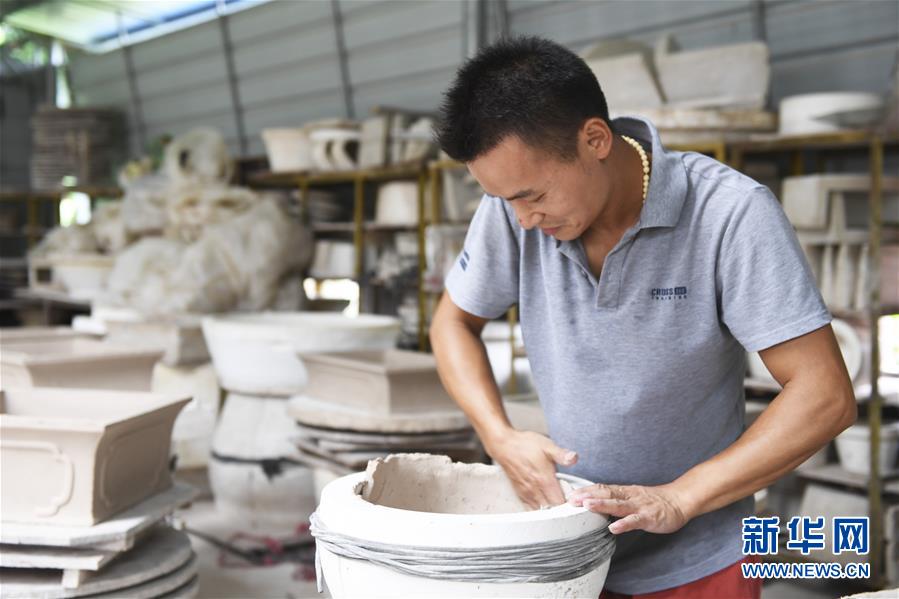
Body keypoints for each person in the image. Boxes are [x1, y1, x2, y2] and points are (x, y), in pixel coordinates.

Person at [429, 36, 857, 598]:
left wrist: (681, 496)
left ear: (595, 140)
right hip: (569, 553)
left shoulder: (730, 214)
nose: (523, 219)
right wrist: (499, 435)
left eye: (531, 196)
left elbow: (825, 395)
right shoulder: (512, 212)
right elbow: (452, 324)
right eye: (504, 199)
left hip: (701, 563)